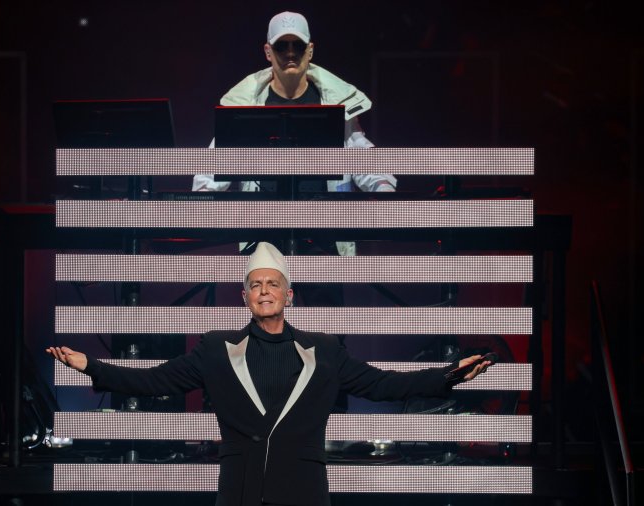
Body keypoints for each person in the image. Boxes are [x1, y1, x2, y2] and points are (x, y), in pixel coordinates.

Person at [47, 242, 491, 506]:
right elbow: (152, 382)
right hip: (241, 492)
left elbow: (385, 385)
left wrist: (449, 375)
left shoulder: (324, 349)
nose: (264, 291)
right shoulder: (216, 349)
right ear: (245, 296)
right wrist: (91, 365)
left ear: (289, 294)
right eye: (256, 284)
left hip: (304, 491)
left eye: (272, 283)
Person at [192, 12, 395, 257]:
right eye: (282, 46)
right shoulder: (246, 105)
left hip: (323, 237)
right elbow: (214, 166)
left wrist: (384, 191)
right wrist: (200, 202)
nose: (290, 53)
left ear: (310, 50)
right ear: (268, 51)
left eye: (297, 45)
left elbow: (362, 157)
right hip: (263, 241)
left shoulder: (336, 102)